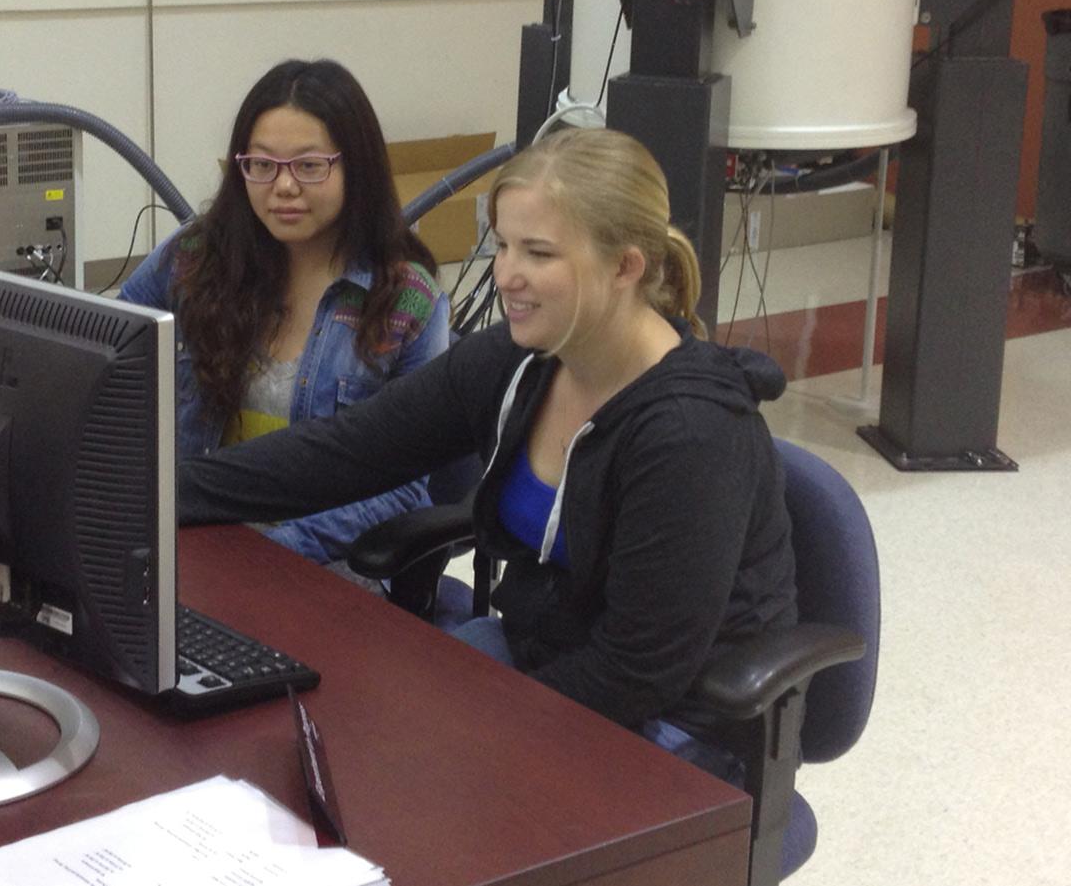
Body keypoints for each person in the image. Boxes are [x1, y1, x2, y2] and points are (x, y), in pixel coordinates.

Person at [176, 127, 797, 775]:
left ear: (625, 267)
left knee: (412, 780)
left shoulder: (690, 436)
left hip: (679, 726)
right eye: (501, 244)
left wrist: (468, 732)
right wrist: (160, 491)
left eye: (539, 252)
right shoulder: (524, 359)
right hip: (538, 654)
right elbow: (345, 452)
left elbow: (637, 671)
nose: (506, 274)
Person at [120, 58, 450, 573]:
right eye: (263, 165)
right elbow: (104, 347)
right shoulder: (197, 258)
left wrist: (281, 547)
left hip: (324, 565)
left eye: (310, 165)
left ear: (355, 168)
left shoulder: (406, 300)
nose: (284, 187)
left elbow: (405, 488)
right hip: (195, 544)